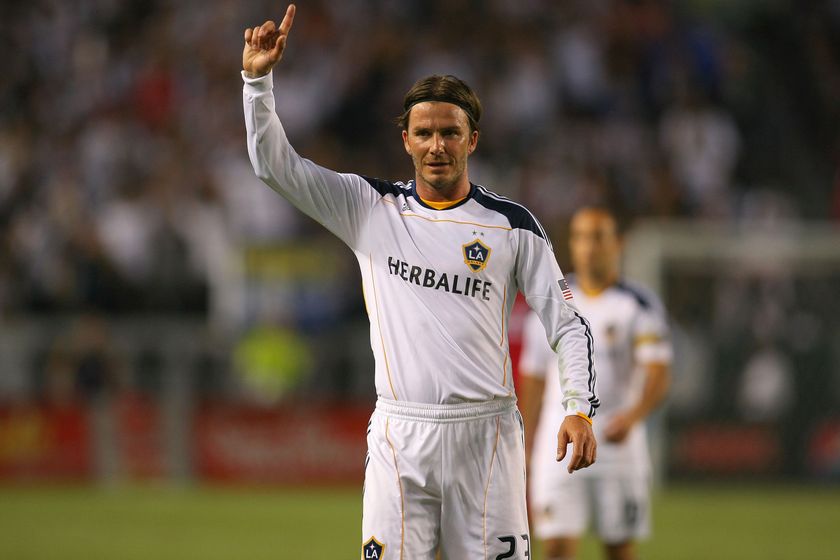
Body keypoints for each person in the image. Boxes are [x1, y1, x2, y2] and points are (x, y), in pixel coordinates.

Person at [242, 6, 598, 558]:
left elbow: (568, 324)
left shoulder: (512, 226)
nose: (437, 146)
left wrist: (578, 407)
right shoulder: (368, 208)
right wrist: (256, 83)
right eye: (425, 133)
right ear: (405, 139)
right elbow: (275, 166)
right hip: (400, 435)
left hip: (487, 438)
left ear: (472, 140)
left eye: (450, 133)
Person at [518, 207, 672, 560]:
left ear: (617, 244)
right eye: (581, 237)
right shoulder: (550, 299)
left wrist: (633, 416)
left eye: (598, 237)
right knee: (555, 547)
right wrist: (526, 441)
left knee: (619, 550)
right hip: (558, 443)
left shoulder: (638, 304)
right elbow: (535, 376)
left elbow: (658, 373)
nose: (589, 247)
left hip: (617, 445)